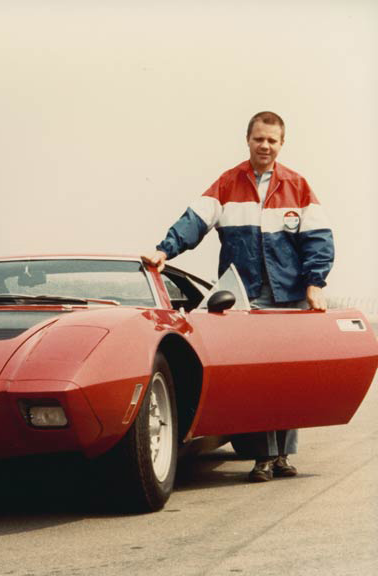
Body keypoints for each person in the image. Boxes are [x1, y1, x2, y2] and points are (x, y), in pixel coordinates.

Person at [143, 111, 335, 482]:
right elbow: (193, 221)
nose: (265, 146)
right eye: (259, 139)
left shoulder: (299, 186)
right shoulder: (227, 184)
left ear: (282, 144)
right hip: (246, 296)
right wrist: (165, 250)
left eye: (272, 140)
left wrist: (316, 282)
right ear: (248, 140)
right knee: (259, 379)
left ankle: (283, 456)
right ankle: (263, 458)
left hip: (290, 294)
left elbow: (318, 239)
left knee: (289, 378)